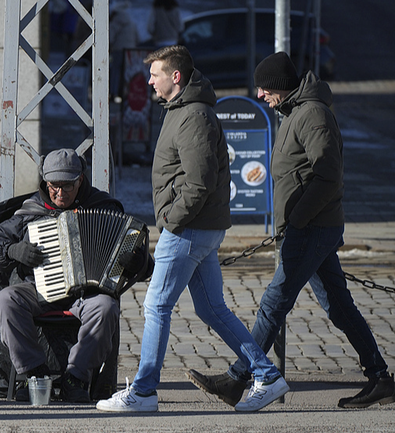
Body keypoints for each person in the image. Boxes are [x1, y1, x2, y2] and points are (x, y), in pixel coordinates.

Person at [186, 51, 395, 409]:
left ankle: (239, 378)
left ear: (281, 86)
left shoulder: (312, 114)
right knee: (339, 306)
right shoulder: (296, 112)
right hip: (311, 226)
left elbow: (328, 176)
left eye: (264, 89)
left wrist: (297, 218)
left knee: (273, 302)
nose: (260, 95)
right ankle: (380, 378)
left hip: (311, 227)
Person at [96, 46, 288, 413]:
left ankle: (144, 392)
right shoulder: (181, 110)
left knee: (156, 305)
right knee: (212, 309)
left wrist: (172, 219)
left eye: (155, 74)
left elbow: (199, 182)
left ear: (176, 76)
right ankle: (266, 374)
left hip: (188, 229)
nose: (149, 81)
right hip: (197, 228)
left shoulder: (194, 115)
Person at [0, 148, 153, 403]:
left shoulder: (103, 206)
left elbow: (146, 267)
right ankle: (34, 373)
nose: (60, 193)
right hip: (38, 289)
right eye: (54, 186)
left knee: (106, 307)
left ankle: (76, 377)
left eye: (67, 186)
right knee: (5, 300)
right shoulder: (31, 209)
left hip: (87, 294)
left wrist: (138, 262)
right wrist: (13, 250)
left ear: (80, 180)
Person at [109, 1, 140, 98]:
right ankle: (126, 93)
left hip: (117, 50)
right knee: (127, 72)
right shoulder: (132, 23)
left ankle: (113, 93)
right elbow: (138, 38)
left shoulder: (114, 23)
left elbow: (110, 38)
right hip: (130, 51)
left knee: (115, 72)